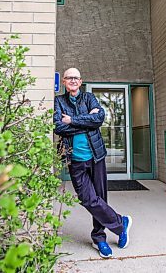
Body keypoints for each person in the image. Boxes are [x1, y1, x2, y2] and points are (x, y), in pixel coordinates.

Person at [54, 68, 132, 259]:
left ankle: (99, 238)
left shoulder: (89, 98)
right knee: (88, 198)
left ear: (81, 81)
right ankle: (121, 223)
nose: (73, 80)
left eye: (76, 78)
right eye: (69, 78)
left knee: (100, 197)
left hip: (96, 156)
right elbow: (58, 126)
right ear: (64, 81)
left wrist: (72, 120)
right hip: (75, 159)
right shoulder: (59, 101)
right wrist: (85, 121)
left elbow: (98, 119)